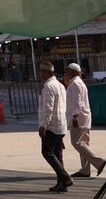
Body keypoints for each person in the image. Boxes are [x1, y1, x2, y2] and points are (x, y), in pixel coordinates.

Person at [64, 62, 106, 178]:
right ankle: (85, 170)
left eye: (67, 71)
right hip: (84, 118)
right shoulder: (79, 83)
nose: (65, 73)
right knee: (84, 144)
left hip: (79, 118)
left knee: (77, 143)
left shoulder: (74, 84)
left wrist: (75, 116)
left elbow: (77, 102)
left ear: (72, 72)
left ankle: (99, 162)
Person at [37, 60, 72, 193]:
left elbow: (48, 108)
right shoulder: (60, 85)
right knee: (57, 155)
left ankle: (65, 177)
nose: (40, 74)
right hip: (61, 125)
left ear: (46, 72)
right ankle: (61, 184)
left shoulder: (49, 87)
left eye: (41, 71)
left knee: (47, 152)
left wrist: (43, 125)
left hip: (51, 126)